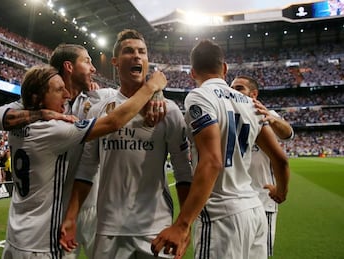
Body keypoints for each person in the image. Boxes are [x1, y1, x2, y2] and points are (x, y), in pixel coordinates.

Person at [0, 43, 165, 258]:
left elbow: (130, 97)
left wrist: (157, 93)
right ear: (69, 67)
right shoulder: (35, 107)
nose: (93, 68)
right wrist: (44, 114)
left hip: (89, 202)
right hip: (55, 213)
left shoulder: (98, 97)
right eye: (87, 61)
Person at [59, 29, 192, 259]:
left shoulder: (168, 110)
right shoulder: (101, 109)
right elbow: (87, 169)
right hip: (109, 229)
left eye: (142, 52)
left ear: (148, 61)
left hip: (156, 228)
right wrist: (71, 216)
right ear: (115, 62)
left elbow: (182, 172)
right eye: (128, 51)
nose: (137, 56)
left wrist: (183, 225)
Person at [151, 39, 290, 258]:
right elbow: (280, 159)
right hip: (255, 212)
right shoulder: (248, 103)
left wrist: (182, 224)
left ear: (192, 73)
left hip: (221, 215)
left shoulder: (199, 96)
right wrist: (280, 192)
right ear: (224, 69)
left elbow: (212, 160)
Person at [231, 75, 294, 257]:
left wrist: (273, 121)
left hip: (263, 201)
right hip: (234, 202)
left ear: (254, 94)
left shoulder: (267, 115)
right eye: (232, 87)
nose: (234, 91)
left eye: (240, 88)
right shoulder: (226, 116)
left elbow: (288, 133)